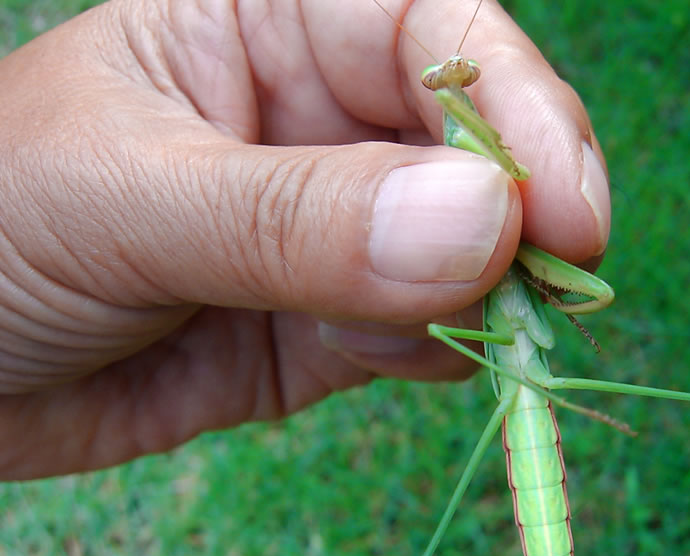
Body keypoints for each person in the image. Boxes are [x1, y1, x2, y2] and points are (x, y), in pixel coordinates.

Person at [0, 0, 611, 480]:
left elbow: (521, 178)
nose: (454, 75)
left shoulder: (467, 130)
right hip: (517, 373)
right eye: (446, 76)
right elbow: (520, 176)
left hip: (500, 336)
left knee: (580, 287)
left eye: (461, 73)